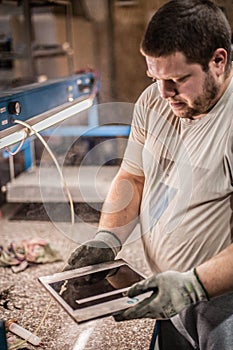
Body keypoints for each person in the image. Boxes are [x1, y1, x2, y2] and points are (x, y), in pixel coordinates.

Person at [65, 1, 233, 349]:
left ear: (218, 61)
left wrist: (193, 285)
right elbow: (133, 177)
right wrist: (109, 237)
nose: (164, 93)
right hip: (166, 293)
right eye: (155, 78)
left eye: (177, 79)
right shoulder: (154, 102)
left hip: (224, 306)